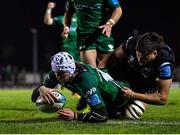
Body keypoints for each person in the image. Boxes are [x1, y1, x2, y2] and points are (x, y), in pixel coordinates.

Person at [31, 52, 131, 122]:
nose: (58, 76)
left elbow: (101, 116)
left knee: (122, 114)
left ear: (71, 70)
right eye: (56, 72)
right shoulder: (57, 73)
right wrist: (42, 88)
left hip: (119, 99)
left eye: (61, 73)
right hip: (98, 91)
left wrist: (75, 116)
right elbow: (34, 98)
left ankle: (126, 109)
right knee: (82, 107)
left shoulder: (86, 81)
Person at [98, 32, 175, 106]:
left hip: (147, 86)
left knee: (133, 111)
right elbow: (113, 56)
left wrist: (133, 95)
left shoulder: (165, 62)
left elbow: (162, 99)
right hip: (127, 74)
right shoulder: (134, 42)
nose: (139, 61)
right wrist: (99, 71)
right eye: (137, 56)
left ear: (154, 53)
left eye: (143, 59)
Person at [62, 0, 123, 67]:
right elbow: (68, 13)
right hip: (84, 36)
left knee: (110, 69)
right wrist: (66, 26)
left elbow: (118, 9)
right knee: (91, 70)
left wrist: (109, 24)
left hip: (102, 34)